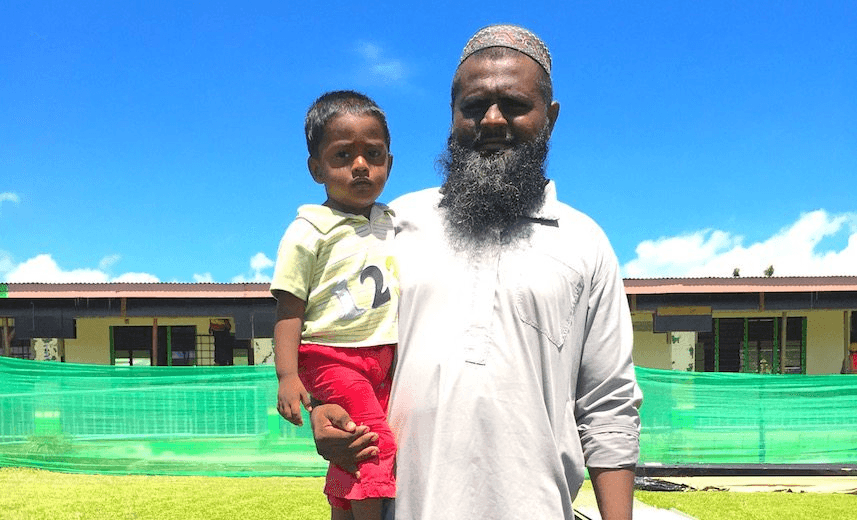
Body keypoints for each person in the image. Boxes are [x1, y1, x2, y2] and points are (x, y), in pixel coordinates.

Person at [311, 25, 642, 520]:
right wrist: (322, 408)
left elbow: (608, 405)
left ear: (550, 117)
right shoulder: (394, 223)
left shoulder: (584, 243)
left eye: (513, 104)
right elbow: (346, 337)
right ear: (452, 117)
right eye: (472, 106)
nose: (491, 120)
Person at [271, 90, 397, 520]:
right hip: (332, 356)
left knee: (348, 441)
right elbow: (289, 309)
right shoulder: (309, 231)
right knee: (375, 441)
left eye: (373, 154)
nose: (360, 165)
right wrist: (287, 377)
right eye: (343, 155)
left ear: (389, 163)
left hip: (383, 356)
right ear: (316, 168)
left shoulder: (394, 223)